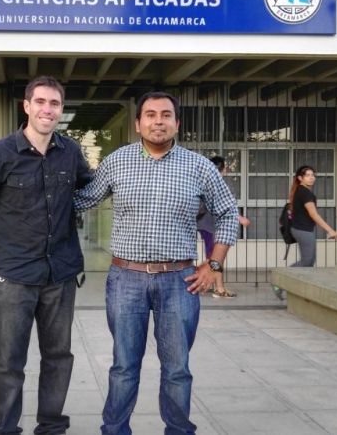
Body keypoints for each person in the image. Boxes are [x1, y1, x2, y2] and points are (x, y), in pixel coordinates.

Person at [74, 91, 239, 435]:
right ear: (138, 124)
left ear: (177, 123)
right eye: (150, 114)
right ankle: (115, 431)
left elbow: (227, 214)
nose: (158, 121)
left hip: (180, 280)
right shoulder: (117, 161)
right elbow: (83, 199)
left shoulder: (199, 167)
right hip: (126, 279)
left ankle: (179, 431)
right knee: (123, 366)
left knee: (177, 368)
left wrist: (214, 264)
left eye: (166, 115)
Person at [0, 76, 92, 435]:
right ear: (27, 106)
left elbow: (92, 189)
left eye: (54, 104)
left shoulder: (70, 152)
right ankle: (7, 427)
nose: (47, 110)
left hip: (60, 275)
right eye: (40, 102)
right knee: (9, 361)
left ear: (60, 109)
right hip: (14, 276)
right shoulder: (1, 153)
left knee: (58, 357)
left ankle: (51, 425)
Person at [196, 155, 251, 298]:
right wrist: (240, 218)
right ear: (223, 169)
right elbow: (226, 208)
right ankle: (217, 287)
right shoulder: (222, 184)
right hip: (212, 226)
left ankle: (216, 285)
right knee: (215, 258)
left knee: (215, 258)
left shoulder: (204, 182)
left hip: (205, 225)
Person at [288, 164, 337, 267]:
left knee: (309, 260)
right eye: (307, 175)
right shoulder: (305, 193)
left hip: (302, 229)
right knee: (307, 261)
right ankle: (282, 276)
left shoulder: (300, 190)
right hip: (303, 230)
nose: (312, 178)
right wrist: (330, 230)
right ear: (300, 178)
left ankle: (291, 279)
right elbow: (313, 214)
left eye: (313, 175)